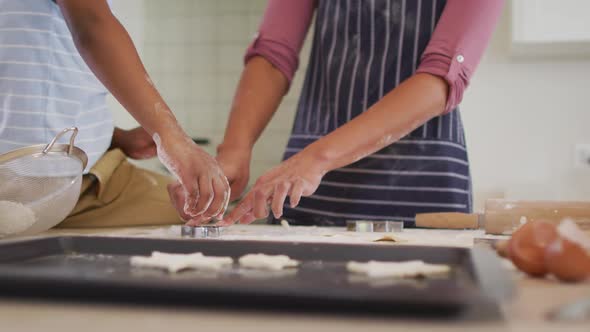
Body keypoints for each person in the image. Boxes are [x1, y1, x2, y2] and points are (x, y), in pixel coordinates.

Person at [217, 0, 504, 227]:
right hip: (314, 192)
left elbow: (441, 78)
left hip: (422, 187)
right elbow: (273, 53)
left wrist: (317, 158)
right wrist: (234, 150)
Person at [0, 0, 229, 227]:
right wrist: (173, 141)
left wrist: (114, 137)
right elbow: (92, 25)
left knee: (203, 216)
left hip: (92, 173)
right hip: (24, 182)